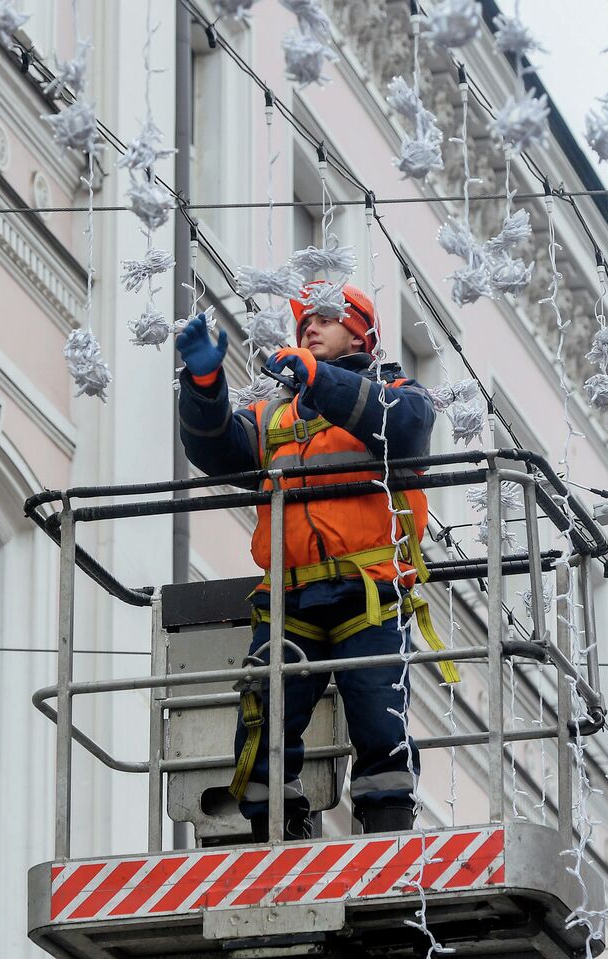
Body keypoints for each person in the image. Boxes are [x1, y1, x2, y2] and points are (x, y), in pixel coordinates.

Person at [175, 281, 456, 840]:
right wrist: (204, 386)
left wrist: (320, 380)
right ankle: (275, 831)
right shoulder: (274, 415)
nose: (309, 327)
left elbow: (402, 429)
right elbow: (216, 450)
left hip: (369, 590)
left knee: (380, 717)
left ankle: (386, 832)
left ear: (362, 333)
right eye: (304, 322)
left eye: (325, 319)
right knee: (264, 721)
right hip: (289, 598)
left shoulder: (397, 391)